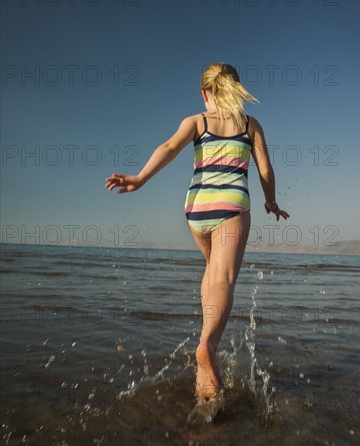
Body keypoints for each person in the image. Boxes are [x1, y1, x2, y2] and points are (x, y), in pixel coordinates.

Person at [105, 63, 289, 401]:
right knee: (224, 278)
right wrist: (272, 202)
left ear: (204, 93)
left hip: (196, 208)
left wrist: (139, 178)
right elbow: (264, 167)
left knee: (211, 270)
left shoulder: (196, 122)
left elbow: (169, 147)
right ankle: (207, 347)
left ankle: (205, 355)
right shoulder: (250, 125)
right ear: (235, 89)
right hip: (231, 206)